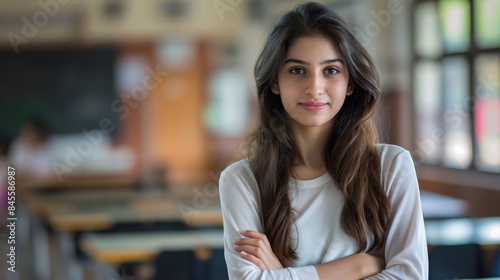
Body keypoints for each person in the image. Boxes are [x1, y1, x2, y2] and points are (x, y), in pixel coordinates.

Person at [219, 2, 428, 279]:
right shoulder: (241, 180)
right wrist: (361, 265)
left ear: (350, 83)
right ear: (275, 82)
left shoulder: (391, 166)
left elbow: (410, 276)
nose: (315, 87)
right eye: (297, 70)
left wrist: (282, 274)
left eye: (331, 70)